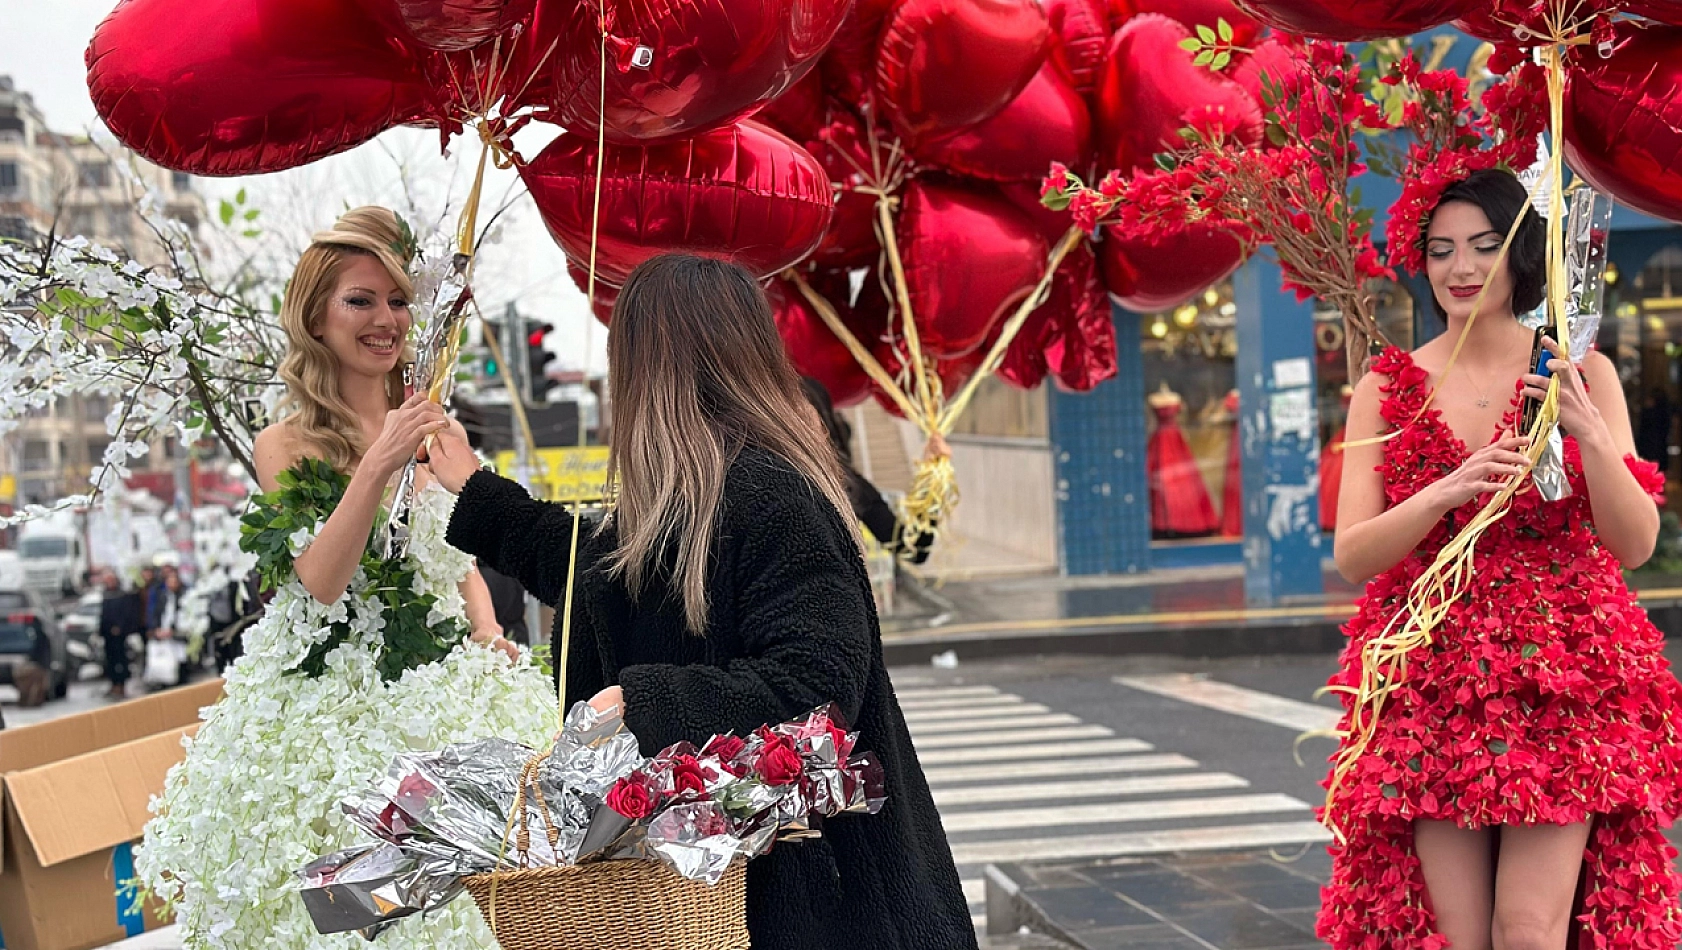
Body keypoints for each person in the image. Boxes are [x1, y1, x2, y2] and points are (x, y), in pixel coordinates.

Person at [429, 254, 978, 950]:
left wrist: (640, 702)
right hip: (720, 889)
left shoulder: (774, 493)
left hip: (815, 894)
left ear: (652, 364)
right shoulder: (689, 493)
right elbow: (600, 572)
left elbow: (817, 683)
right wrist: (475, 487)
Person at [136, 207, 556, 950]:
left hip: (449, 693)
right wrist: (378, 462)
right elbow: (321, 581)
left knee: (494, 901)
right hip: (331, 709)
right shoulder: (286, 444)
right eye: (360, 300)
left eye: (398, 300)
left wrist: (489, 631)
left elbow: (453, 563)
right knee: (366, 921)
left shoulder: (435, 426)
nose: (386, 319)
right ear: (317, 317)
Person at [1320, 169, 1682, 949]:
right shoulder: (1385, 387)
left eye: (1485, 246)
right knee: (1454, 933)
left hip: (1564, 671)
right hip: (1431, 677)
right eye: (1442, 249)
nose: (1461, 267)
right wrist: (1439, 496)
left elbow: (1638, 543)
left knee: (1528, 927)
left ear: (1522, 257)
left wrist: (1589, 436)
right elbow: (1353, 554)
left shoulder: (1580, 374)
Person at [798, 376, 940, 565]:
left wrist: (932, 475)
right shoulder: (757, 483)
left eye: (806, 416)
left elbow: (913, 548)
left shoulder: (848, 487)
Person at [97, 568, 143, 698]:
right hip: (107, 634)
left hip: (119, 633)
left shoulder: (122, 595)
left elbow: (126, 613)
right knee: (110, 660)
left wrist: (120, 627)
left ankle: (121, 685)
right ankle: (113, 684)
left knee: (120, 659)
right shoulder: (105, 594)